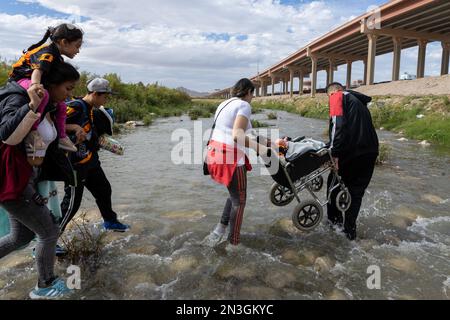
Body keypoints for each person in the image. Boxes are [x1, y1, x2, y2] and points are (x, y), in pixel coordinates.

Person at [0, 61, 80, 299]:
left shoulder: (51, 108)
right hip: (13, 181)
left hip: (24, 179)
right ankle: (45, 285)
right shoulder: (21, 100)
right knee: (48, 232)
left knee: (21, 237)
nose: (70, 94)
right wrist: (33, 105)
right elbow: (8, 136)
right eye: (67, 88)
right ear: (51, 85)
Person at [205, 78, 272, 247]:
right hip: (230, 158)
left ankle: (219, 230)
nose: (252, 98)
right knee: (240, 201)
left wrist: (273, 142)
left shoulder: (225, 104)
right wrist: (262, 150)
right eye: (252, 94)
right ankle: (233, 243)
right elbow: (237, 136)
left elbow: (249, 133)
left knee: (234, 195)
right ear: (248, 91)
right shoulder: (244, 106)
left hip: (214, 154)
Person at [59, 78, 130, 235]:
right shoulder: (76, 107)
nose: (106, 100)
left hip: (89, 160)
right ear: (96, 94)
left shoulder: (90, 108)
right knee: (71, 204)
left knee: (104, 189)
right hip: (74, 163)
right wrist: (75, 127)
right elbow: (54, 123)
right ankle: (48, 240)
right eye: (105, 96)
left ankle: (110, 221)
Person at [9, 23, 84, 153]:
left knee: (61, 105)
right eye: (77, 46)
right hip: (21, 79)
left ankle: (61, 136)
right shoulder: (48, 52)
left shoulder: (57, 57)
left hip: (30, 78)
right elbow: (37, 71)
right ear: (64, 42)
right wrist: (36, 86)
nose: (78, 50)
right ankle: (33, 131)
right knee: (44, 95)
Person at [325, 82, 379, 240]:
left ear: (333, 92)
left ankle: (333, 227)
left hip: (352, 154)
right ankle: (349, 233)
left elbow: (338, 126)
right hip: (370, 152)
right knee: (356, 194)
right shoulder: (359, 103)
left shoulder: (337, 96)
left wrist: (333, 153)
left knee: (333, 186)